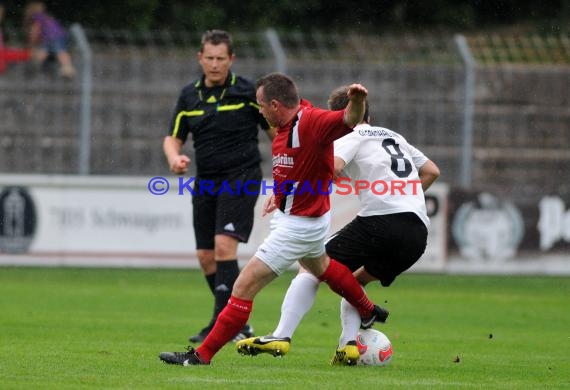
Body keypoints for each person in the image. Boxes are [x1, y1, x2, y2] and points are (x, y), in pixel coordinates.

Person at [159, 73, 389, 366]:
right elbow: (297, 166)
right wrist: (279, 195)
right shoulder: (286, 122)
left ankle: (201, 356)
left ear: (276, 104)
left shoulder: (311, 122)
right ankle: (367, 309)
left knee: (243, 286)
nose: (259, 110)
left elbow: (348, 119)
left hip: (299, 226)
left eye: (261, 105)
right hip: (302, 217)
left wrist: (357, 100)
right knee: (323, 267)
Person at [235, 85, 440, 365]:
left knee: (310, 267)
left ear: (339, 115)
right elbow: (431, 171)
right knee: (353, 284)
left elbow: (335, 165)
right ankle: (347, 347)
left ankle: (281, 335)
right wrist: (407, 196)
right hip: (417, 232)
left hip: (381, 221)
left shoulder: (351, 134)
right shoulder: (395, 136)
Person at [163, 29, 274, 344]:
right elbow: (173, 137)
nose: (214, 64)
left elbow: (275, 132)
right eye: (209, 58)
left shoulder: (248, 92)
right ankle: (234, 321)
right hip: (207, 180)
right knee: (205, 256)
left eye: (220, 59)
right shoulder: (188, 95)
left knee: (225, 246)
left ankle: (224, 324)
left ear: (231, 59)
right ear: (200, 58)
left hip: (241, 176)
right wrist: (174, 157)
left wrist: (286, 168)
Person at [24, 1, 75, 78]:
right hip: (57, 36)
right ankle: (67, 67)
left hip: (51, 37)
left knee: (56, 51)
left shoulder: (37, 17)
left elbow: (35, 31)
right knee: (56, 50)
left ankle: (34, 66)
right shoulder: (46, 16)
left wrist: (31, 42)